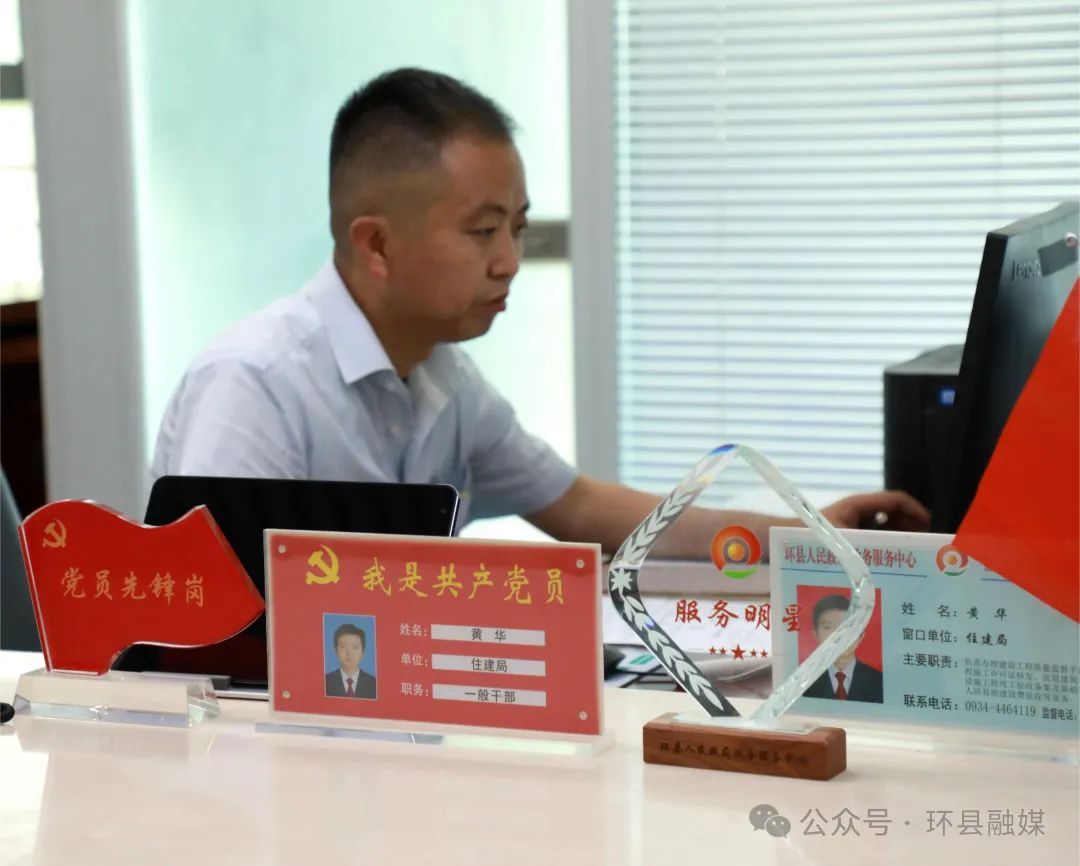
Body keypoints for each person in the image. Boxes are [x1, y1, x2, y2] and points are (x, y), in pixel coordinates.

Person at [151, 67, 929, 553]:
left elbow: (583, 507)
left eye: (517, 229)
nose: (509, 261)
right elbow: (209, 635)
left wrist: (806, 536)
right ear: (376, 244)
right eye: (482, 231)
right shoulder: (255, 383)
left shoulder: (446, 380)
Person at [803, 594, 883, 703]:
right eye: (828, 627)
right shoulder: (803, 683)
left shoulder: (880, 682)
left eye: (847, 627)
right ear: (816, 635)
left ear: (861, 635)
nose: (839, 636)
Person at [325, 622, 377, 699]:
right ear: (336, 651)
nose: (349, 653)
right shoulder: (325, 681)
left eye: (355, 647)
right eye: (343, 647)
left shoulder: (374, 684)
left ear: (363, 652)